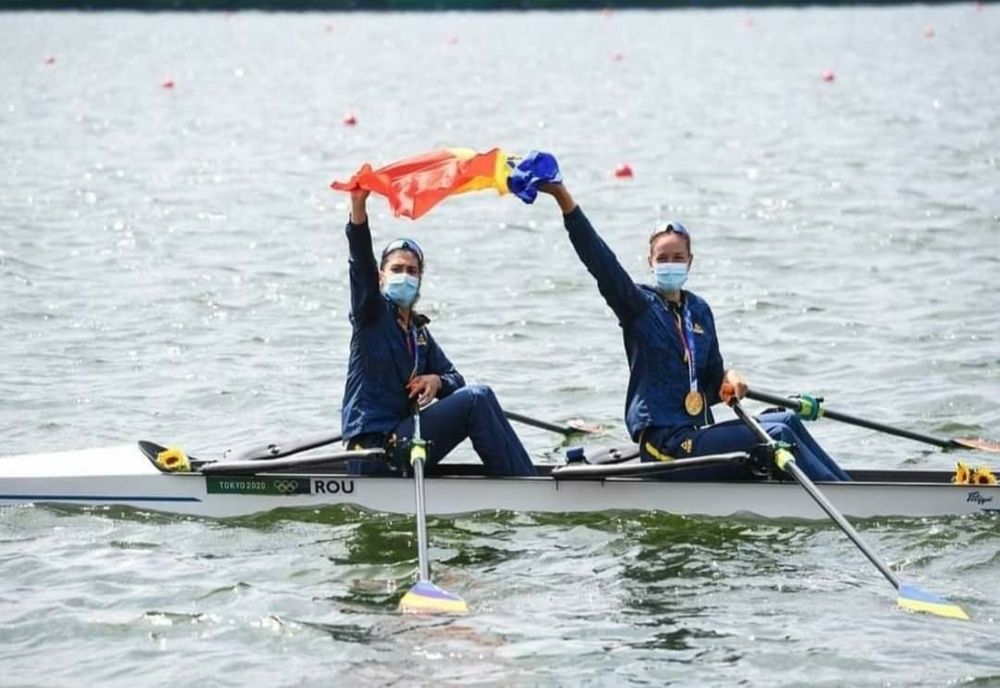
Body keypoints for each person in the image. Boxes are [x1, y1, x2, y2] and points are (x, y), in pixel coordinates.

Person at [537, 181, 849, 482]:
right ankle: (847, 503)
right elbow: (599, 259)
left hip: (695, 435)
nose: (670, 264)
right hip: (663, 447)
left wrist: (730, 379)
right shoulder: (637, 306)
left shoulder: (699, 311)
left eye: (677, 258)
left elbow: (712, 381)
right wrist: (563, 198)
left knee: (787, 420)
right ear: (650, 263)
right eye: (663, 258)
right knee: (776, 435)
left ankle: (845, 487)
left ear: (690, 262)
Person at [340, 189, 536, 477]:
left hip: (406, 440)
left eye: (412, 270)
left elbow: (456, 380)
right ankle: (524, 486)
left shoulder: (419, 334)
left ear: (420, 279)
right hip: (373, 449)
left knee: (480, 395)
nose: (404, 276)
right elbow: (360, 264)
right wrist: (358, 206)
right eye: (396, 269)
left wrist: (436, 381)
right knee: (477, 399)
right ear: (381, 277)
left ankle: (522, 478)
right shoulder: (370, 314)